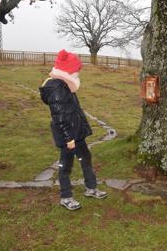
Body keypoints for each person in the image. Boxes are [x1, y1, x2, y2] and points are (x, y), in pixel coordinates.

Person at [39, 49, 107, 211]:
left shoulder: (66, 85)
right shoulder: (57, 90)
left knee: (86, 159)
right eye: (76, 69)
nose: (78, 72)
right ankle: (66, 197)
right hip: (67, 136)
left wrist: (79, 132)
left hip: (76, 133)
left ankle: (91, 188)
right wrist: (69, 139)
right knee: (66, 165)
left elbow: (72, 112)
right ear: (68, 70)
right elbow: (60, 118)